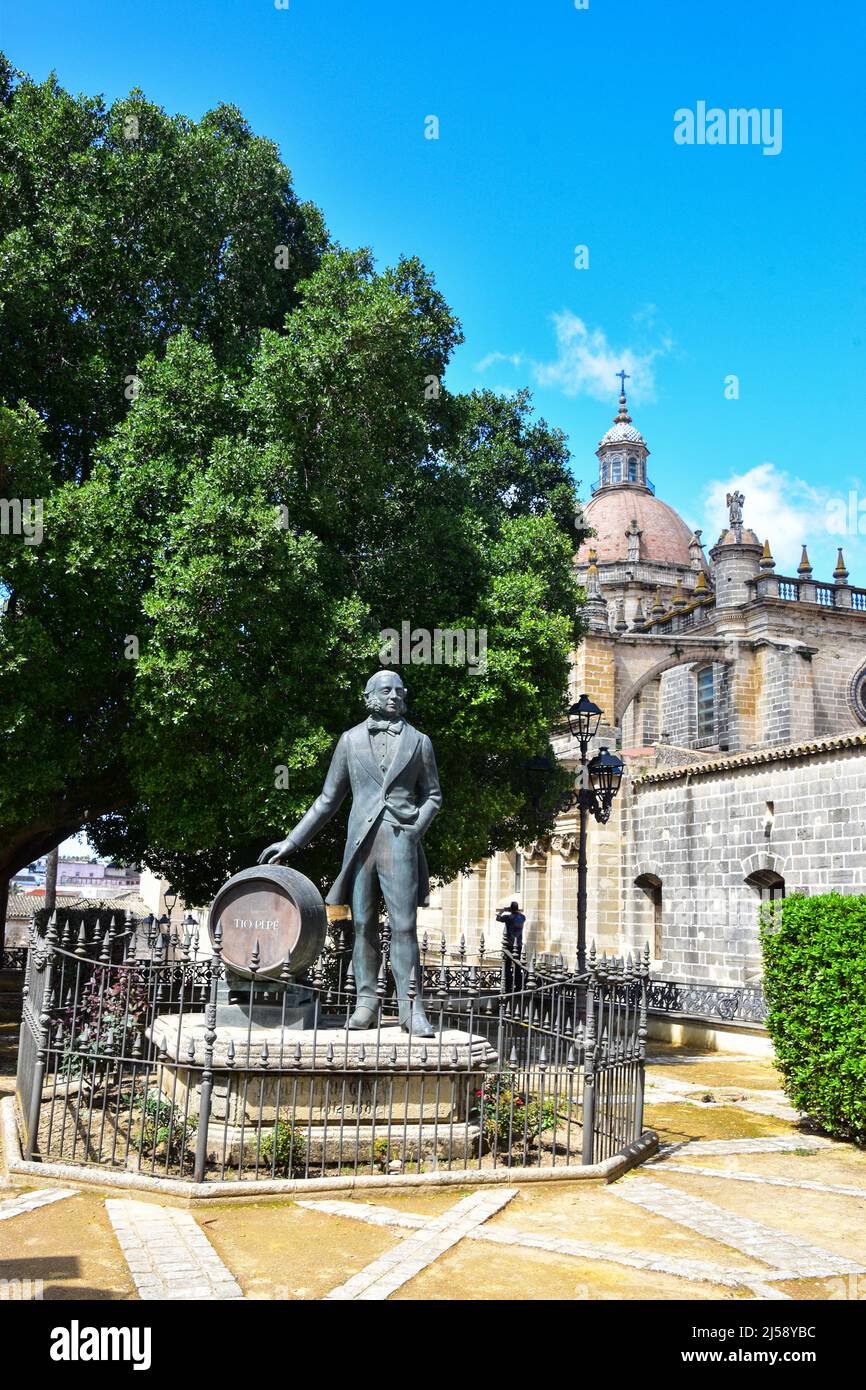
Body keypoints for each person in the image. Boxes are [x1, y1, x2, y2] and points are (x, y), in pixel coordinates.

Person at [258, 670, 442, 1037]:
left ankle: (411, 1008)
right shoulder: (350, 740)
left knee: (405, 926)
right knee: (361, 926)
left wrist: (414, 830)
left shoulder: (420, 742)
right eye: (386, 690)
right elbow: (327, 800)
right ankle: (366, 1004)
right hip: (360, 844)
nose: (394, 696)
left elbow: (433, 795)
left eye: (399, 691)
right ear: (369, 695)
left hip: (399, 841)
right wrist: (291, 841)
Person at [496, 900, 526, 994]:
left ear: (510, 909)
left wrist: (504, 910)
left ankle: (508, 986)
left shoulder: (508, 917)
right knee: (517, 965)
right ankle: (518, 986)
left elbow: (498, 918)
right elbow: (520, 914)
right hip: (519, 945)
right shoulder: (522, 917)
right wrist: (514, 910)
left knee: (508, 965)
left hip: (509, 944)